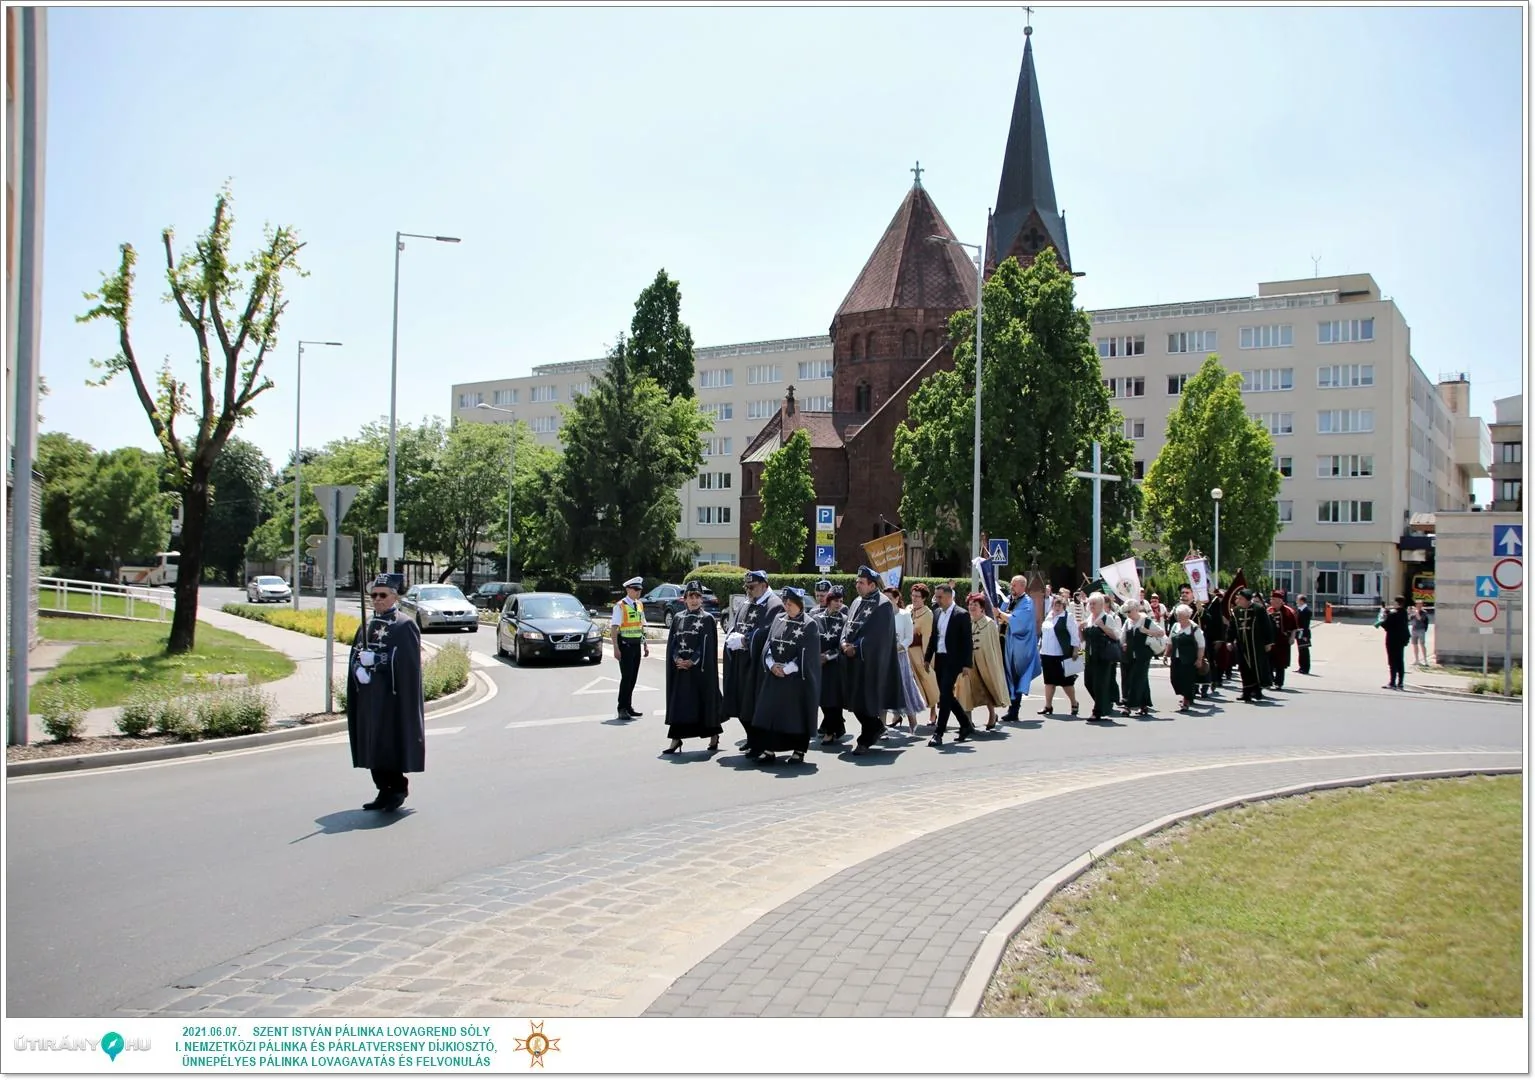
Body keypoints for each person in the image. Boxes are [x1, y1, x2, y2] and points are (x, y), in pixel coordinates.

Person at [346, 573, 426, 812]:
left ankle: (398, 788)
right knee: (372, 744)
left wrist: (379, 660)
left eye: (383, 595)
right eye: (374, 595)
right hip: (369, 698)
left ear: (394, 597)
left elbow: (408, 664)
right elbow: (357, 653)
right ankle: (382, 789)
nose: (378, 599)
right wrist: (359, 667)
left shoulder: (405, 625)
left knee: (389, 744)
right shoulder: (366, 624)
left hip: (392, 699)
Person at [745, 587, 821, 765]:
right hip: (775, 677)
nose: (786, 607)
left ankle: (799, 750)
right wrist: (771, 665)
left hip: (796, 680)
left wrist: (787, 669)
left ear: (799, 605)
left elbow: (808, 655)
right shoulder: (778, 620)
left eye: (790, 604)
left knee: (795, 716)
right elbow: (768, 645)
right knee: (772, 713)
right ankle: (769, 749)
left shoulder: (810, 624)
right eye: (785, 604)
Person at [839, 567, 903, 754]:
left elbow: (878, 636)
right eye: (857, 581)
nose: (857, 585)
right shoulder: (857, 601)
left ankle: (866, 739)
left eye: (861, 582)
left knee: (865, 701)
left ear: (872, 584)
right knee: (855, 701)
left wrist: (856, 648)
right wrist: (843, 643)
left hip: (870, 662)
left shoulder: (882, 604)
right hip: (852, 661)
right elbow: (848, 626)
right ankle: (875, 727)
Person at [662, 581, 723, 755]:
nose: (694, 600)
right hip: (681, 670)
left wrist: (693, 661)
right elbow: (673, 643)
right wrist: (677, 659)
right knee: (680, 704)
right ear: (685, 599)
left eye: (697, 597)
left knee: (705, 703)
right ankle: (676, 739)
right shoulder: (678, 618)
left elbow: (707, 646)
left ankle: (714, 735)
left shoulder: (707, 619)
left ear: (701, 599)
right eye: (691, 597)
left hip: (700, 671)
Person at [722, 570, 783, 738]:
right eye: (746, 587)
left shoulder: (774, 604)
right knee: (741, 703)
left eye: (752, 587)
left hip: (758, 665)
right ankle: (751, 738)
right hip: (740, 662)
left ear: (764, 586)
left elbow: (768, 632)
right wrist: (732, 636)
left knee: (753, 705)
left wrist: (744, 641)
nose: (748, 590)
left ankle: (759, 741)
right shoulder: (747, 602)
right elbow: (736, 623)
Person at [924, 582, 974, 746]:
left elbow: (967, 641)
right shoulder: (937, 612)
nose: (937, 600)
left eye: (940, 597)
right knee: (947, 695)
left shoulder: (961, 614)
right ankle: (965, 724)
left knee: (944, 694)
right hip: (940, 658)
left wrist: (967, 664)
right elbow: (933, 637)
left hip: (954, 660)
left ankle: (939, 733)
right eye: (936, 596)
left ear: (949, 596)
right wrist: (927, 657)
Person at [959, 591, 1009, 729]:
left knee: (987, 687)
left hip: (986, 663)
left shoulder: (989, 623)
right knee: (966, 689)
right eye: (970, 604)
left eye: (975, 604)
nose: (971, 607)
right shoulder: (966, 622)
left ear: (982, 607)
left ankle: (992, 714)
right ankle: (967, 721)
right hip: (969, 663)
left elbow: (993, 647)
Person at [997, 575, 1042, 724]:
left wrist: (999, 614)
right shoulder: (1009, 599)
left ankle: (1014, 711)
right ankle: (1010, 707)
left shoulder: (1027, 603)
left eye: (1014, 585)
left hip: (1018, 647)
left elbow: (1017, 621)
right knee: (1006, 675)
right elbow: (1000, 616)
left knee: (1016, 675)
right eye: (1011, 585)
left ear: (1023, 586)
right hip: (1004, 643)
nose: (1012, 588)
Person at [885, 585, 925, 733]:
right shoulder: (881, 615)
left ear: (896, 599)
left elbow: (909, 637)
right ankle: (886, 723)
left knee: (905, 688)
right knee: (885, 689)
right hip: (885, 658)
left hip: (900, 656)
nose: (887, 602)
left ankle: (912, 721)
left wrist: (900, 646)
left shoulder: (904, 615)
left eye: (890, 599)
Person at [610, 576, 650, 718]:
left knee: (633, 678)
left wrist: (645, 644)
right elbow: (614, 628)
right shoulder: (620, 606)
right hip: (625, 645)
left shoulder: (639, 605)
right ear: (628, 589)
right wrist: (615, 647)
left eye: (639, 590)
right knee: (626, 677)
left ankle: (628, 706)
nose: (638, 592)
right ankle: (622, 708)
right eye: (635, 589)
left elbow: (641, 626)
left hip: (636, 645)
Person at [1037, 591, 1081, 717]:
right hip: (1046, 653)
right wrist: (1039, 648)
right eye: (1055, 604)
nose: (1057, 607)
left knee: (1066, 682)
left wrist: (1075, 650)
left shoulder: (1067, 617)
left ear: (1063, 606)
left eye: (1059, 605)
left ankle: (1074, 703)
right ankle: (1048, 705)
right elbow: (1044, 634)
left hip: (1060, 654)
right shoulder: (1049, 616)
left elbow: (1074, 634)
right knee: (1049, 681)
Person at [1080, 592, 1123, 721]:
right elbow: (1083, 640)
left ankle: (1097, 710)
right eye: (1090, 603)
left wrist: (1103, 627)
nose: (1091, 606)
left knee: (1099, 684)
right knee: (1088, 683)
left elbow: (1116, 636)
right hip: (1089, 656)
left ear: (1101, 605)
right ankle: (1104, 703)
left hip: (1103, 656)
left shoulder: (1107, 618)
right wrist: (1079, 629)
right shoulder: (1088, 618)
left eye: (1094, 604)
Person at [1119, 598, 1165, 717]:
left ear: (1135, 609)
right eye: (1126, 612)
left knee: (1137, 678)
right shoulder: (1128, 622)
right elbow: (1122, 636)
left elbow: (1161, 633)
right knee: (1137, 679)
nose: (1128, 614)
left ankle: (1128, 706)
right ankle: (1143, 704)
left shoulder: (1146, 621)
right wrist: (1122, 645)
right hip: (1129, 655)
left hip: (1143, 655)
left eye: (1129, 611)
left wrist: (1147, 631)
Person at [815, 585, 849, 744]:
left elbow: (842, 644)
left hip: (835, 665)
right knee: (822, 699)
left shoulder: (844, 620)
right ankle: (838, 727)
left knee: (833, 699)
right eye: (836, 600)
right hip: (818, 666)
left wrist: (827, 657)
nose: (838, 604)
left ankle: (830, 731)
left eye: (841, 601)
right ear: (829, 601)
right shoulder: (817, 618)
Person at [1230, 588, 1274, 702]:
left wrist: (1268, 642)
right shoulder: (1236, 610)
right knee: (1244, 669)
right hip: (1241, 645)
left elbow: (1267, 626)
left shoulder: (1258, 609)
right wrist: (1229, 641)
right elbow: (1232, 627)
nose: (1238, 600)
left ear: (1247, 600)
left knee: (1255, 668)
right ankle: (1246, 693)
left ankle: (1257, 691)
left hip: (1256, 645)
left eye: (1240, 598)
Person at [906, 583, 940, 726]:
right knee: (905, 683)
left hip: (919, 653)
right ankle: (900, 715)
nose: (914, 599)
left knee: (928, 680)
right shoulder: (908, 609)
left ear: (924, 598)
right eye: (913, 595)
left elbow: (928, 638)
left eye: (918, 597)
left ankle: (933, 711)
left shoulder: (928, 615)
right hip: (905, 652)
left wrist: (929, 660)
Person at [1167, 603, 1206, 713]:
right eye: (1178, 616)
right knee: (1174, 678)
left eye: (1181, 616)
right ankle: (1184, 695)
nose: (1179, 618)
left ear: (1187, 616)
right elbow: (1170, 641)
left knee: (1187, 681)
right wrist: (1166, 654)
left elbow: (1201, 645)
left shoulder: (1194, 628)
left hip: (1189, 660)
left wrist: (1199, 659)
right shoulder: (1175, 626)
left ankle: (1186, 700)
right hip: (1176, 657)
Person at [1266, 590, 1299, 690]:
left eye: (1275, 600)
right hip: (1271, 641)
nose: (1272, 602)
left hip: (1283, 641)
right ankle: (1269, 680)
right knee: (1269, 662)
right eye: (1272, 599)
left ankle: (1279, 682)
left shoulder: (1289, 611)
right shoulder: (1269, 610)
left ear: (1281, 601)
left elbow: (1294, 627)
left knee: (1280, 663)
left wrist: (1292, 638)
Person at [1380, 595, 1411, 689]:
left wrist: (1385, 616)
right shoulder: (1404, 613)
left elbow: (1385, 625)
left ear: (1397, 603)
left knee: (1392, 661)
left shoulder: (1393, 614)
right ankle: (1400, 682)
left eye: (1394, 602)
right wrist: (1389, 613)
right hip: (1402, 639)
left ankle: (1392, 682)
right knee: (1400, 660)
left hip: (1392, 639)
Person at [1295, 594, 1313, 675]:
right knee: (1300, 650)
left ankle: (1306, 668)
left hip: (1304, 632)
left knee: (1305, 650)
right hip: (1299, 632)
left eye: (1298, 600)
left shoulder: (1306, 611)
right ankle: (1301, 667)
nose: (1296, 601)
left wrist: (1305, 635)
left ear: (1302, 601)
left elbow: (1306, 624)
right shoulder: (1299, 610)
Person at [1409, 601, 1431, 667]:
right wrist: (1410, 612)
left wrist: (1416, 612)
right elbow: (1409, 619)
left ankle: (1425, 660)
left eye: (1420, 604)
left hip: (1421, 630)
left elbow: (1420, 619)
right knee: (1415, 645)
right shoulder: (1414, 611)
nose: (1419, 606)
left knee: (1422, 644)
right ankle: (1417, 660)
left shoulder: (1424, 612)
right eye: (1417, 604)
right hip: (1414, 629)